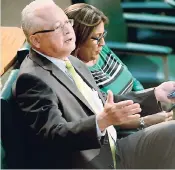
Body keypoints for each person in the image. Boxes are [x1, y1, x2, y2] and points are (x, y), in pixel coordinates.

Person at [13, 0, 175, 169]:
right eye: (57, 27)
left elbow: (102, 100)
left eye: (67, 22)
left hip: (115, 149)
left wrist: (156, 94)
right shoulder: (32, 80)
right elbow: (54, 135)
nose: (68, 30)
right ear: (36, 40)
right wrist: (101, 122)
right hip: (95, 163)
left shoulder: (70, 60)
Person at [64, 3, 173, 130]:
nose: (103, 43)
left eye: (103, 35)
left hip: (145, 111)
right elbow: (104, 120)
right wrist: (147, 120)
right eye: (96, 38)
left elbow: (133, 82)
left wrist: (154, 100)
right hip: (128, 131)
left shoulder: (101, 50)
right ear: (76, 39)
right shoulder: (75, 74)